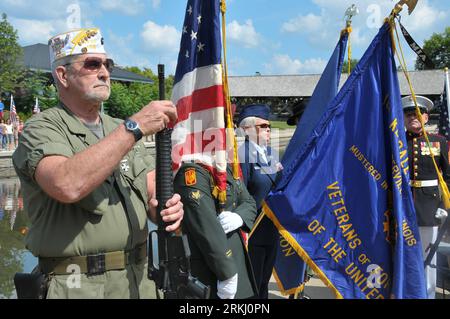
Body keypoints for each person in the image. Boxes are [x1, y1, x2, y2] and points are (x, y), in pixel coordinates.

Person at [12, 28, 184, 299]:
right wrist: (134, 127)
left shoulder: (120, 130)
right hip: (77, 285)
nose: (104, 72)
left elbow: (153, 195)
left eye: (108, 64)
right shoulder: (42, 128)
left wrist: (168, 208)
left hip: (139, 281)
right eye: (92, 64)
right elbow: (66, 184)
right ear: (63, 75)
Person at [173, 162, 258, 299]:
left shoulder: (225, 166)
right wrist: (227, 274)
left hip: (237, 264)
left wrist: (239, 217)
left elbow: (249, 201)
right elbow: (206, 227)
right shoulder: (192, 171)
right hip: (212, 272)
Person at [403, 95, 450, 299]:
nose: (414, 116)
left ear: (426, 117)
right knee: (403, 257)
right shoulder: (396, 142)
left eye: (418, 113)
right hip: (401, 208)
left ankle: (427, 295)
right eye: (409, 114)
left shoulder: (439, 142)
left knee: (428, 259)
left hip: (429, 209)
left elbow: (448, 176)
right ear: (404, 119)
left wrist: (444, 205)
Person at [236, 104, 282, 299]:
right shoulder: (242, 154)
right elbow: (241, 193)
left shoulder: (270, 153)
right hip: (253, 231)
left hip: (272, 229)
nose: (268, 129)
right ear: (248, 130)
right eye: (263, 126)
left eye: (269, 126)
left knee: (264, 281)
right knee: (253, 284)